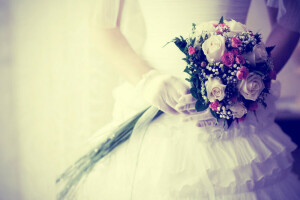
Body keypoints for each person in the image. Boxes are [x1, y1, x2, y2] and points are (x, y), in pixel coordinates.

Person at [74, 0, 300, 199]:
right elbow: (103, 25)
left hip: (234, 113)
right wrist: (149, 80)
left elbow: (290, 18)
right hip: (153, 100)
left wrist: (241, 88)